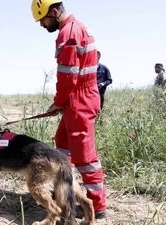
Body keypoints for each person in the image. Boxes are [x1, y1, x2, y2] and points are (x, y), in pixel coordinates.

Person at [32, 0, 107, 219]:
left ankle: (96, 205)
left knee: (85, 157)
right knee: (62, 144)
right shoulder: (76, 27)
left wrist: (59, 101)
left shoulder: (69, 33)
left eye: (43, 19)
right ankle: (64, 193)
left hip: (79, 99)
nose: (42, 25)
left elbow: (68, 76)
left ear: (54, 12)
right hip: (77, 98)